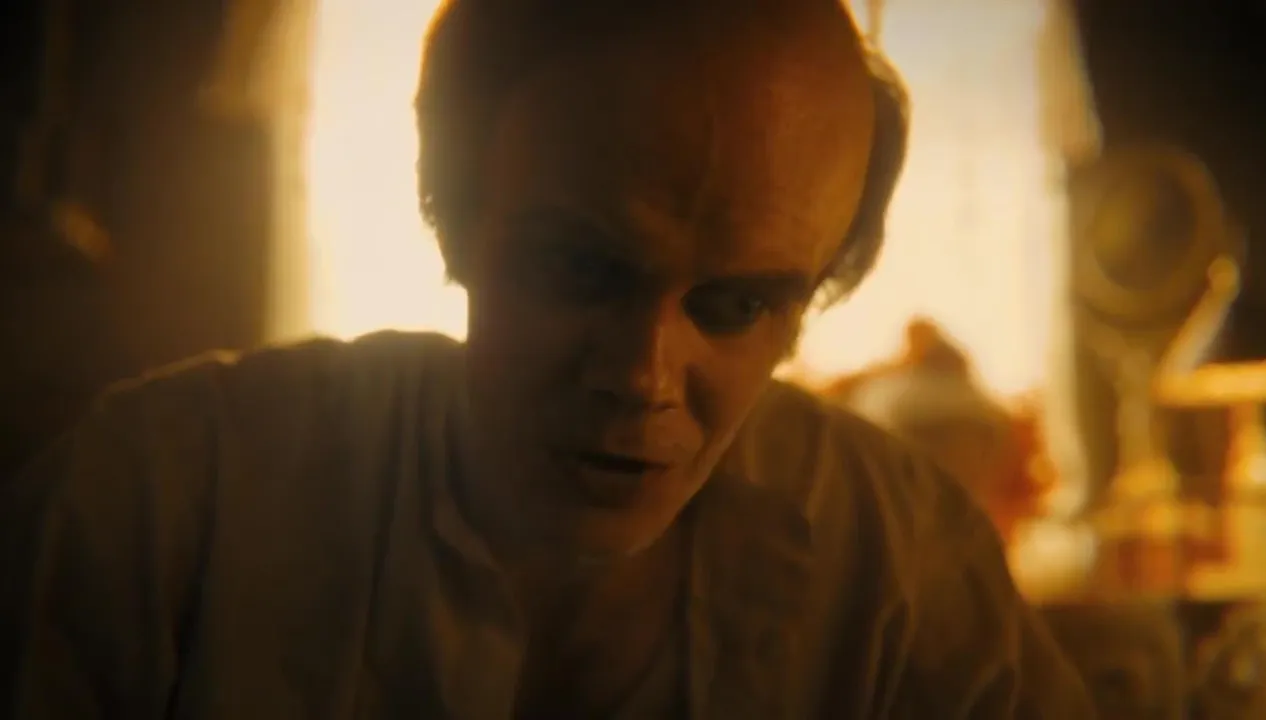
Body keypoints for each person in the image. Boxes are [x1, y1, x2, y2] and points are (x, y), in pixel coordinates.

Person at [1, 0, 1095, 716]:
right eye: (579, 269)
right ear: (455, 219)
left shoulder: (896, 559)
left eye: (737, 303)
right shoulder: (163, 508)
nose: (641, 376)